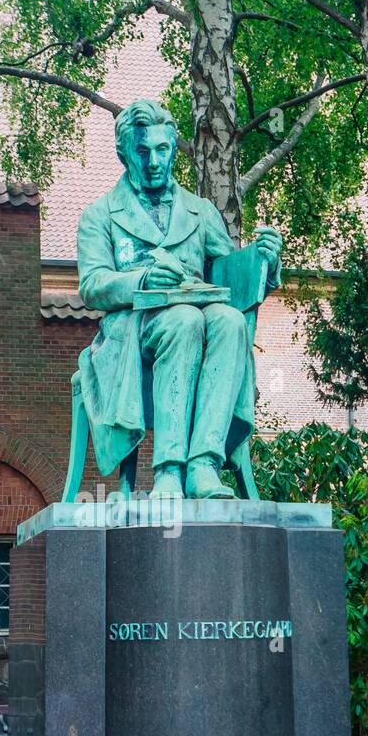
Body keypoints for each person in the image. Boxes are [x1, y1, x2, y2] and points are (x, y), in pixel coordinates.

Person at [76, 98, 282, 498]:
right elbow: (93, 285)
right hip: (133, 333)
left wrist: (264, 260)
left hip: (201, 321)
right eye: (142, 150)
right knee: (183, 319)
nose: (154, 161)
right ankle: (168, 470)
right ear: (124, 154)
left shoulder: (200, 211)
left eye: (163, 149)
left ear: (172, 149)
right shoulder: (100, 214)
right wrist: (144, 280)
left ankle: (205, 464)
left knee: (230, 321)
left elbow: (229, 276)